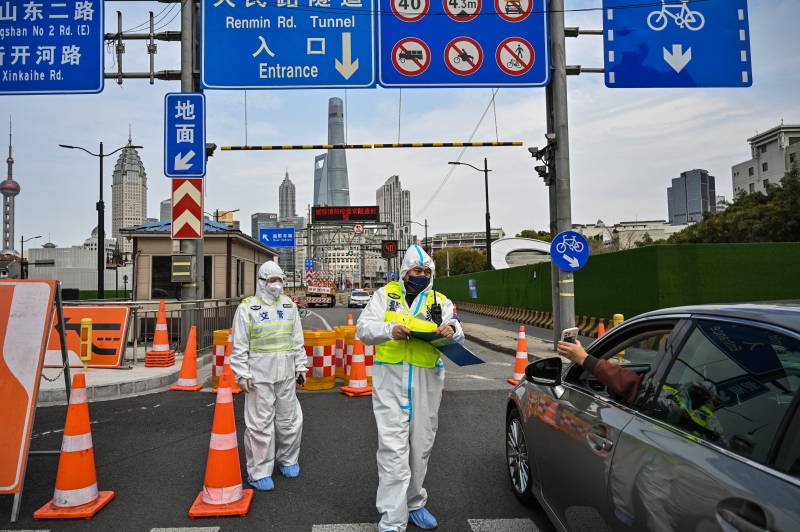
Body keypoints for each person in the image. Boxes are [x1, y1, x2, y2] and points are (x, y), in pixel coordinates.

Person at [357, 245, 464, 532]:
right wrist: (389, 330)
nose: (422, 275)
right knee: (392, 449)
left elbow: (457, 329)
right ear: (405, 272)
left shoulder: (439, 300)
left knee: (421, 447)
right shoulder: (384, 296)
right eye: (417, 271)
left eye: (427, 271)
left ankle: (415, 502)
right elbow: (363, 329)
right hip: (390, 380)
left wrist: (452, 330)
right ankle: (392, 518)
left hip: (426, 382)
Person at [230, 261, 307, 492]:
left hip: (285, 373)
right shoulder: (247, 308)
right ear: (262, 282)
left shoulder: (289, 306)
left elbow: (297, 339)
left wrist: (301, 367)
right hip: (258, 375)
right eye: (271, 281)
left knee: (289, 420)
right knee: (260, 424)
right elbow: (239, 344)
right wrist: (241, 373)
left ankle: (288, 459)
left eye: (280, 280)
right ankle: (259, 471)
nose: (276, 285)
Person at [556, 340, 721, 438]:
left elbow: (637, 389)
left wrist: (584, 359)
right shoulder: (714, 421)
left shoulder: (675, 403)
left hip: (652, 460)